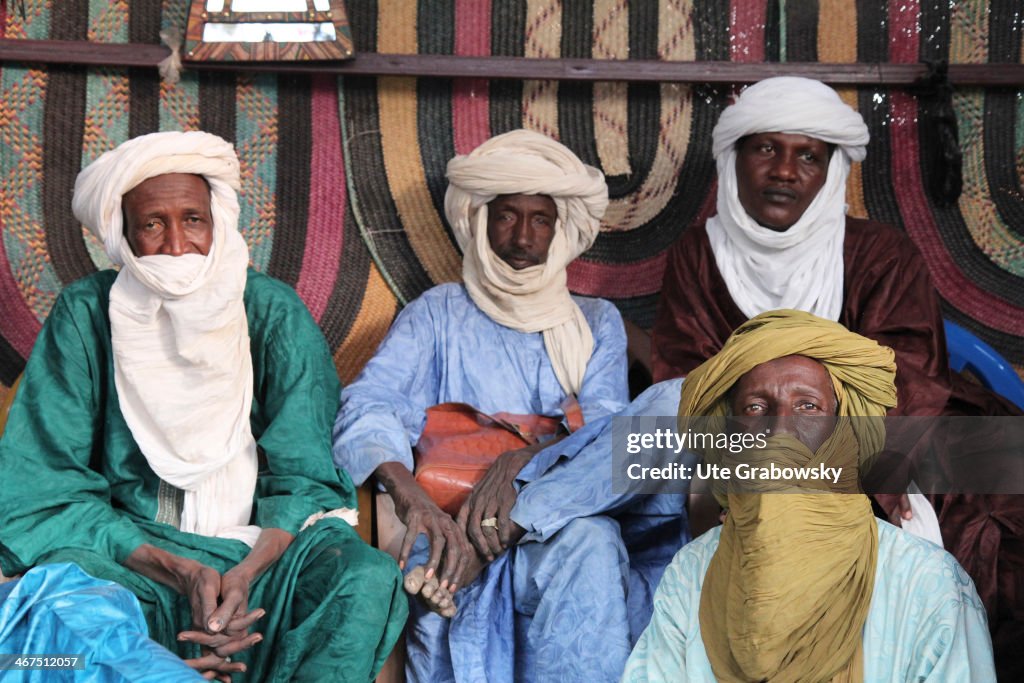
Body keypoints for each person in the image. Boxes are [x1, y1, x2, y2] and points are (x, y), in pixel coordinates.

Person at [0, 131, 406, 682]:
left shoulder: (271, 311)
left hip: (265, 559)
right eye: (151, 224)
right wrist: (178, 570)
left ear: (217, 222)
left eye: (192, 219)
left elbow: (305, 478)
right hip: (130, 555)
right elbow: (47, 488)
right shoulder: (86, 313)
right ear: (122, 234)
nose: (175, 245)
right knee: (62, 614)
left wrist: (243, 574)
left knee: (363, 577)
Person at [650, 76, 1022, 673]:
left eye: (808, 155)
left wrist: (845, 470)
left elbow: (908, 377)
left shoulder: (883, 253)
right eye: (766, 148)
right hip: (750, 443)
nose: (784, 171)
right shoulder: (698, 254)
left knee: (974, 528)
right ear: (734, 158)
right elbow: (687, 378)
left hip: (877, 439)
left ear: (830, 171)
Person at [333, 129, 634, 681]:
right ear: (478, 220)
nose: (522, 236)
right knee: (435, 560)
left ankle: (491, 543)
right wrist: (415, 503)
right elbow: (370, 405)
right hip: (449, 524)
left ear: (561, 228)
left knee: (595, 534)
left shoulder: (595, 323)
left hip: (566, 527)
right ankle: (468, 553)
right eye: (506, 216)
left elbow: (608, 435)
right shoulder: (437, 315)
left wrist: (518, 466)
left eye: (540, 219)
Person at [624, 309, 996, 682]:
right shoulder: (692, 572)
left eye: (808, 406)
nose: (781, 429)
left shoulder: (925, 583)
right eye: (756, 408)